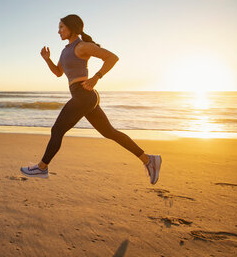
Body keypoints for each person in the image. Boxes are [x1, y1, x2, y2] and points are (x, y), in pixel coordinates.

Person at [20, 14, 162, 184]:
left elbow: (112, 57)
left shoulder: (82, 46)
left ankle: (41, 168)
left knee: (57, 130)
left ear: (72, 28)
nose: (58, 31)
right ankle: (148, 160)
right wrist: (47, 59)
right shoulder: (66, 50)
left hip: (84, 95)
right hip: (84, 97)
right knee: (109, 132)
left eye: (61, 27)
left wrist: (96, 77)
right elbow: (58, 73)